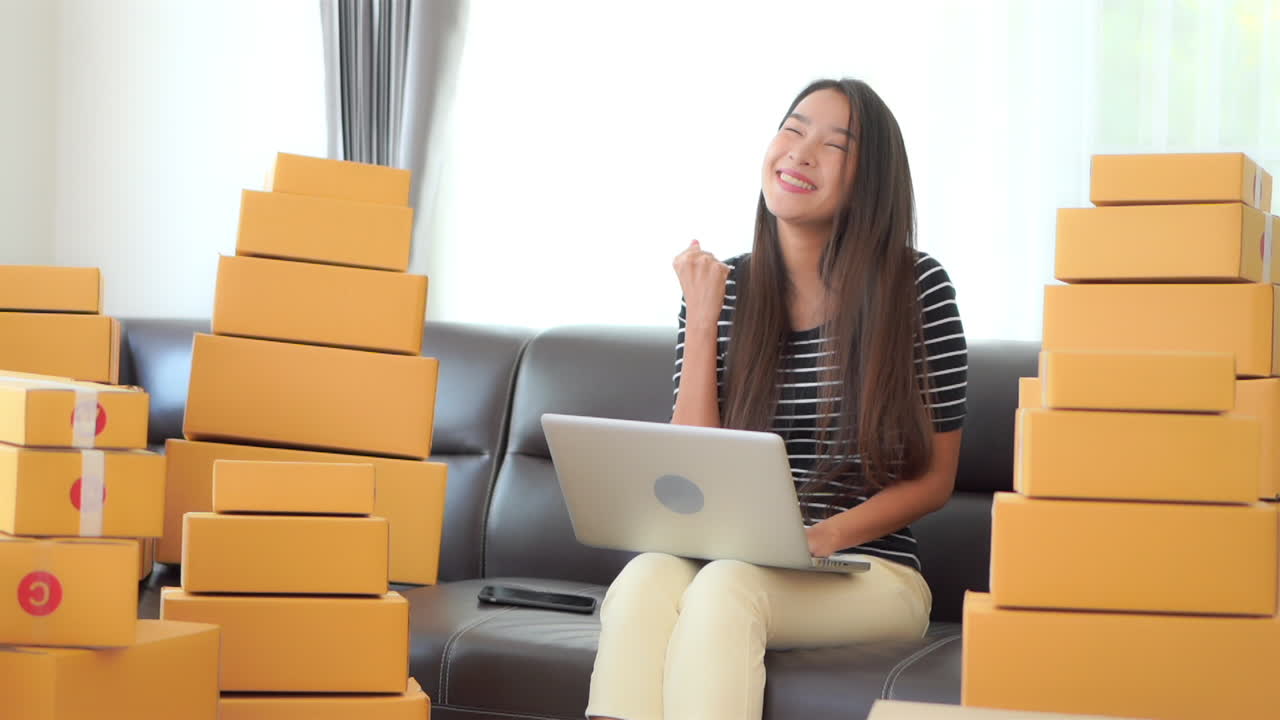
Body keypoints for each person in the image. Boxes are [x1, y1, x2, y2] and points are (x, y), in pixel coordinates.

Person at [584, 78, 968, 720]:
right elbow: (689, 469)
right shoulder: (725, 290)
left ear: (869, 179)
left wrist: (815, 540)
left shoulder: (915, 287)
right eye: (792, 129)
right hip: (738, 559)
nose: (801, 151)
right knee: (645, 578)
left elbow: (934, 480)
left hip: (872, 572)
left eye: (833, 144)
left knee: (726, 588)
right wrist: (703, 318)